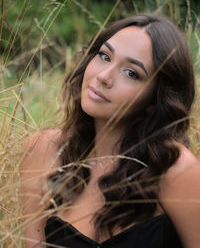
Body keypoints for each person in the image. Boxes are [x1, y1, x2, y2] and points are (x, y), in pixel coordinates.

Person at [21, 13, 200, 248]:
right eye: (104, 56)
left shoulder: (176, 169)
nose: (103, 76)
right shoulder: (43, 149)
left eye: (131, 73)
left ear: (156, 99)